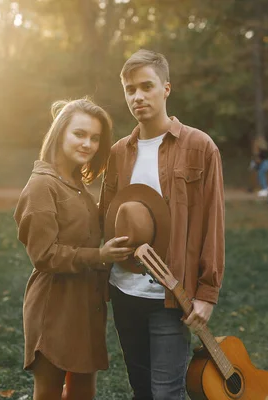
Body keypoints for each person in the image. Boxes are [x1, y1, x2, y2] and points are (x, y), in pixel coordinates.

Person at [98, 49, 226, 400]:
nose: (137, 96)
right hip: (124, 292)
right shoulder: (118, 152)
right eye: (129, 89)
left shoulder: (200, 147)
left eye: (146, 86)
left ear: (166, 88)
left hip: (171, 295)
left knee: (167, 393)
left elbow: (213, 222)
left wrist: (207, 293)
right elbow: (106, 217)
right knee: (142, 391)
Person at [14, 98, 134, 400]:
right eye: (79, 134)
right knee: (50, 393)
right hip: (55, 305)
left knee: (82, 392)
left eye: (95, 138)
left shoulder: (76, 183)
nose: (88, 144)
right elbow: (44, 256)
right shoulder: (43, 185)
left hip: (85, 303)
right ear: (60, 133)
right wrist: (100, 256)